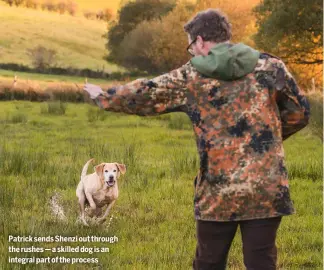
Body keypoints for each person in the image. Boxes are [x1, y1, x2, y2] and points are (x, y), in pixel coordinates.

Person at [84, 8, 310, 270]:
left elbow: (146, 94)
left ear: (200, 41)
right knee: (262, 262)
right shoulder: (271, 67)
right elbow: (300, 112)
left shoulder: (190, 77)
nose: (191, 52)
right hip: (267, 187)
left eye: (190, 47)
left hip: (217, 191)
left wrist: (102, 95)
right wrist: (264, 143)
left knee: (208, 262)